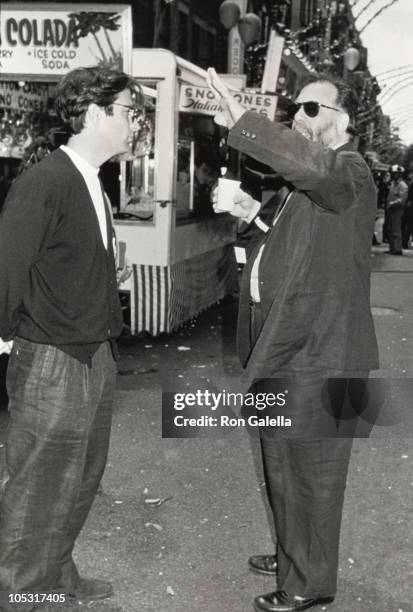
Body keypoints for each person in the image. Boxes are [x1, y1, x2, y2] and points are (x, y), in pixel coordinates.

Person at [207, 68, 379, 612]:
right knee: (282, 465)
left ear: (342, 120)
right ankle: (293, 553)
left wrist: (246, 120)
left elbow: (313, 171)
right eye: (295, 108)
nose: (297, 117)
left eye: (310, 109)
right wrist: (253, 215)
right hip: (289, 345)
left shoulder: (348, 172)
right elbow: (296, 247)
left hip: (324, 352)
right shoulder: (308, 183)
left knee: (315, 478)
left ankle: (309, 583)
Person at [0, 66, 143, 611]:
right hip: (53, 359)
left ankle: (56, 571)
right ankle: (18, 589)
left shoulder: (91, 179)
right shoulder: (46, 181)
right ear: (95, 114)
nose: (136, 123)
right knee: (37, 484)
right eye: (130, 111)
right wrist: (6, 338)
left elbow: (58, 260)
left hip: (94, 352)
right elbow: (8, 267)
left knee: (80, 479)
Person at [386, 164, 408, 255]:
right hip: (390, 210)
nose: (393, 175)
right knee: (390, 229)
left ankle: (398, 249)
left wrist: (393, 203)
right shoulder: (393, 184)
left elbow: (402, 199)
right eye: (393, 173)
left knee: (396, 229)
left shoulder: (403, 186)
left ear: (399, 174)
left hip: (397, 210)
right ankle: (392, 248)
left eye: (395, 173)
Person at [402, 167, 413, 249]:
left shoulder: (410, 184)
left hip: (410, 205)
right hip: (410, 206)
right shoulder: (410, 184)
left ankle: (405, 242)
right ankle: (405, 242)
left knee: (408, 225)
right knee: (409, 225)